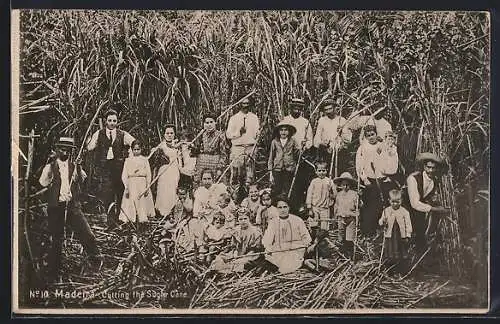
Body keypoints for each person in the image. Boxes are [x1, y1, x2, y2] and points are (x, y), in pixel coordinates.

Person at [39, 137, 101, 283]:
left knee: (87, 234)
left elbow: (83, 180)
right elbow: (42, 182)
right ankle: (54, 271)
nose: (65, 151)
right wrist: (49, 171)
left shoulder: (74, 166)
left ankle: (96, 262)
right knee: (56, 240)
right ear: (57, 149)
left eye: (68, 149)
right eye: (62, 148)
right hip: (56, 207)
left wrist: (79, 168)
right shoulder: (51, 166)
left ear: (72, 151)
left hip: (72, 206)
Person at [87, 107, 135, 229]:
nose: (112, 123)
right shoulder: (99, 133)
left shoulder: (122, 134)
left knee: (120, 193)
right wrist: (89, 140)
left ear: (117, 121)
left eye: (114, 120)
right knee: (107, 194)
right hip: (105, 169)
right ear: (105, 121)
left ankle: (119, 218)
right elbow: (90, 147)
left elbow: (134, 143)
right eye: (109, 120)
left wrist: (130, 154)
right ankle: (110, 221)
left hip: (118, 168)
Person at [406, 152, 450, 253]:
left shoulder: (434, 181)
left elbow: (426, 197)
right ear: (424, 166)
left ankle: (420, 255)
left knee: (420, 233)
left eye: (433, 168)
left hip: (418, 210)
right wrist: (436, 209)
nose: (430, 170)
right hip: (406, 207)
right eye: (428, 167)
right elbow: (414, 203)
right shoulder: (413, 178)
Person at [280, 98, 315, 213]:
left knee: (300, 180)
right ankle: (288, 205)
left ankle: (300, 205)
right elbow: (279, 137)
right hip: (287, 154)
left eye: (299, 107)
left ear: (301, 109)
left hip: (302, 155)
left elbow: (310, 140)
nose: (296, 109)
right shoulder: (285, 120)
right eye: (294, 107)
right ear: (290, 108)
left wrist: (305, 147)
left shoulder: (305, 122)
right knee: (287, 180)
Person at [262, 196, 312, 273]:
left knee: (290, 263)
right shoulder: (273, 222)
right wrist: (268, 248)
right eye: (280, 207)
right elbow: (267, 240)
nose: (283, 210)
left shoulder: (297, 220)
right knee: (276, 260)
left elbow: (306, 237)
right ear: (277, 209)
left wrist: (304, 245)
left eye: (285, 207)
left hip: (296, 250)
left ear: (289, 208)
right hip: (280, 250)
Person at [118, 140, 155, 231]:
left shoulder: (144, 160)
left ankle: (142, 222)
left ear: (141, 149)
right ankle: (131, 222)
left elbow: (149, 174)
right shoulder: (128, 160)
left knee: (142, 202)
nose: (136, 151)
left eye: (138, 149)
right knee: (131, 201)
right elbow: (124, 175)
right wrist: (126, 187)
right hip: (132, 184)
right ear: (132, 149)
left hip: (142, 183)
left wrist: (147, 186)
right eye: (134, 149)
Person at [355, 125, 385, 237]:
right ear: (365, 137)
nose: (371, 137)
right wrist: (364, 178)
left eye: (373, 134)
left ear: (376, 134)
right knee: (368, 206)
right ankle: (367, 231)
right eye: (368, 136)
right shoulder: (363, 148)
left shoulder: (381, 145)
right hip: (369, 180)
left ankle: (379, 230)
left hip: (381, 179)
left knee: (379, 204)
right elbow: (359, 165)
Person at [226, 96, 260, 186]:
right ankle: (235, 194)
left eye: (247, 103)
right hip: (238, 149)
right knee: (236, 174)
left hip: (250, 148)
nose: (245, 105)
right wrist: (238, 133)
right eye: (243, 103)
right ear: (239, 105)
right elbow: (228, 135)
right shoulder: (234, 118)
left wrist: (259, 136)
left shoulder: (254, 117)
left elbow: (257, 134)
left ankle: (249, 193)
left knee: (250, 175)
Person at [313, 98, 352, 175]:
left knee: (339, 173)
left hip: (340, 152)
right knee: (326, 174)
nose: (328, 112)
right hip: (326, 152)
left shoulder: (342, 120)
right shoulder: (322, 120)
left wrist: (341, 133)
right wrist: (322, 143)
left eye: (330, 109)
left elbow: (348, 139)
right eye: (326, 110)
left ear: (335, 108)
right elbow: (316, 139)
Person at [379, 189, 412, 275]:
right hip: (390, 236)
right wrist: (383, 221)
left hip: (400, 236)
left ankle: (401, 271)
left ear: (401, 201)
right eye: (393, 202)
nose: (395, 204)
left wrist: (408, 235)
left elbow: (408, 224)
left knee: (401, 253)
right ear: (389, 201)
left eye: (397, 202)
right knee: (390, 253)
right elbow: (380, 222)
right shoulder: (386, 211)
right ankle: (390, 271)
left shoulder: (404, 212)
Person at [153, 124, 181, 217]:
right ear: (164, 135)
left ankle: (172, 211)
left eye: (171, 133)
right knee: (164, 190)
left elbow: (179, 160)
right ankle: (163, 212)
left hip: (174, 170)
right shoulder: (161, 146)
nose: (169, 135)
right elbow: (156, 161)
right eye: (167, 133)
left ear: (174, 134)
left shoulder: (177, 146)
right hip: (164, 171)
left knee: (173, 189)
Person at [194, 114, 228, 188]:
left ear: (215, 122)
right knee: (200, 185)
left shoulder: (220, 135)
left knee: (216, 185)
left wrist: (220, 168)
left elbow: (223, 154)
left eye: (211, 122)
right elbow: (196, 151)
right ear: (204, 124)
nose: (209, 125)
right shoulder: (201, 134)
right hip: (202, 163)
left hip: (215, 163)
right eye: (207, 122)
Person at [268, 121, 300, 198]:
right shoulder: (275, 142)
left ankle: (288, 205)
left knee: (288, 188)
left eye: (286, 130)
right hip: (277, 168)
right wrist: (270, 172)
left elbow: (297, 154)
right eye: (281, 130)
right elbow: (271, 157)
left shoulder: (293, 141)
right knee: (277, 188)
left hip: (289, 168)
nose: (283, 132)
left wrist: (301, 147)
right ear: (278, 132)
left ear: (289, 132)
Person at [333, 172, 359, 259]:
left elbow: (359, 205)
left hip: (351, 218)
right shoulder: (339, 195)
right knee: (341, 235)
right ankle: (341, 253)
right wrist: (335, 215)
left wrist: (359, 200)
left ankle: (350, 254)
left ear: (350, 185)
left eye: (347, 185)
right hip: (341, 217)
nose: (345, 187)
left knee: (350, 237)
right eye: (343, 185)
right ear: (341, 185)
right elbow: (336, 205)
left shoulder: (354, 194)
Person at [306, 161, 336, 231]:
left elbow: (334, 193)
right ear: (316, 172)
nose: (321, 172)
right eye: (319, 171)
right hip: (315, 207)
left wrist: (332, 194)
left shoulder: (329, 181)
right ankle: (313, 237)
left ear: (327, 171)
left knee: (324, 225)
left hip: (325, 208)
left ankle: (322, 237)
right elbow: (309, 194)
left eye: (323, 170)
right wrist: (309, 208)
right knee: (313, 224)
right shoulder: (314, 181)